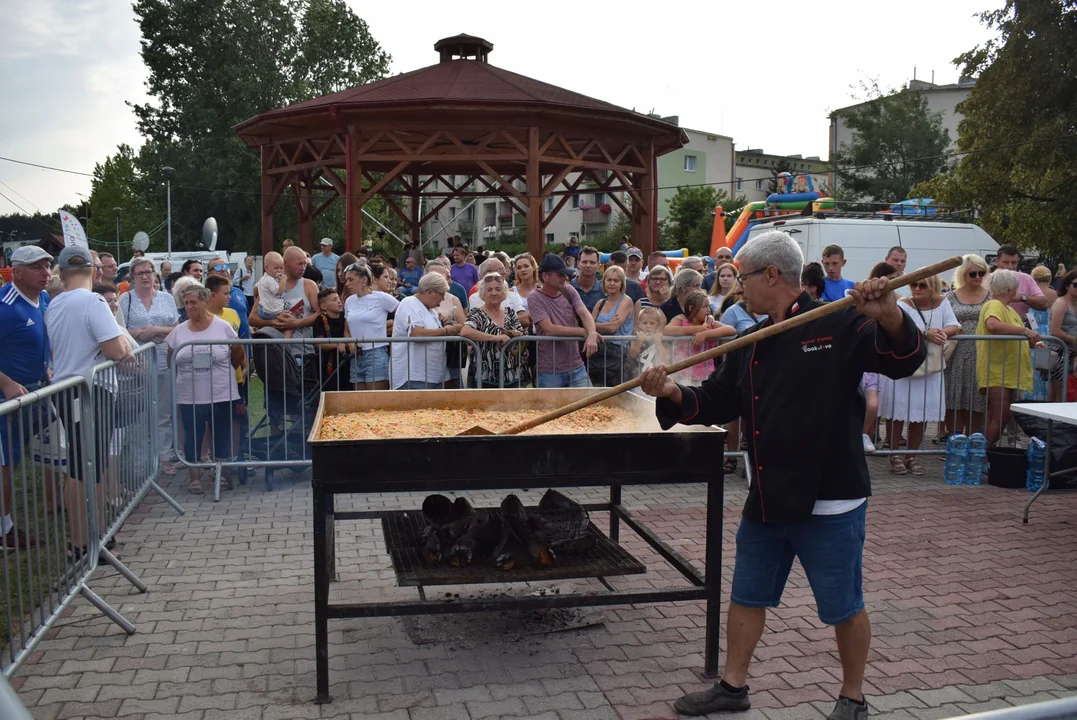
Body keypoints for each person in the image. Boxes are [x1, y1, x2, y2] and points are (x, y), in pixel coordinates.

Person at [640, 230, 927, 720]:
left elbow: (904, 359)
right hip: (769, 493)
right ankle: (732, 687)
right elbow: (716, 401)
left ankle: (853, 698)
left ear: (770, 274)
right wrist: (669, 394)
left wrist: (893, 318)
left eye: (743, 278)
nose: (736, 288)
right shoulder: (754, 335)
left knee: (844, 605)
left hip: (829, 495)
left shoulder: (838, 320)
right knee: (747, 594)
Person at [46, 246, 133, 552]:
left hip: (67, 388)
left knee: (79, 468)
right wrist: (122, 346)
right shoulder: (94, 301)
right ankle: (89, 541)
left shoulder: (54, 304)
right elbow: (117, 350)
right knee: (87, 469)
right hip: (91, 391)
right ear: (95, 272)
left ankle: (87, 538)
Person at [165, 285, 244, 494]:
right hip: (190, 394)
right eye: (186, 303)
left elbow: (238, 353)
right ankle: (194, 477)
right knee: (192, 435)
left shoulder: (223, 327)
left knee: (221, 433)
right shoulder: (178, 332)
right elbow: (171, 361)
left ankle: (222, 474)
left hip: (220, 391)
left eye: (193, 302)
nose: (189, 307)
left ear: (205, 302)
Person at [878, 274, 959, 476]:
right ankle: (894, 453)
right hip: (904, 363)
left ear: (933, 287)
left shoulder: (943, 302)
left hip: (929, 367)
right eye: (914, 284)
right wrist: (926, 333)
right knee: (898, 411)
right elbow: (899, 327)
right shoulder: (904, 303)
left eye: (922, 285)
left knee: (921, 413)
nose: (917, 288)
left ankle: (912, 455)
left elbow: (954, 324)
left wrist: (942, 332)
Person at [0, 246, 54, 548]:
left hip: (29, 394)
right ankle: (4, 529)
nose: (45, 272)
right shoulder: (5, 306)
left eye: (47, 265)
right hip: (5, 399)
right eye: (37, 267)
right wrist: (6, 381)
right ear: (16, 271)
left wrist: (45, 368)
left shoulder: (43, 298)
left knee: (14, 459)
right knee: (4, 463)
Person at [118, 256, 179, 474]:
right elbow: (119, 330)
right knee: (138, 416)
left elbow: (176, 327)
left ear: (155, 274)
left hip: (163, 361)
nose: (145, 276)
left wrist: (158, 331)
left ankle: (165, 456)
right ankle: (140, 465)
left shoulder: (166, 298)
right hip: (136, 366)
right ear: (132, 277)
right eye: (140, 273)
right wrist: (142, 333)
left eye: (148, 272)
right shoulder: (126, 300)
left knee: (163, 412)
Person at [977, 269, 1042, 451]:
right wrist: (1026, 331)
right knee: (1001, 414)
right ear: (1010, 288)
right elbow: (993, 325)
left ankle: (985, 453)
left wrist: (1032, 343)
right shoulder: (995, 305)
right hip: (998, 370)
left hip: (1007, 371)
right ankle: (984, 453)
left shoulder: (1009, 309)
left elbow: (1014, 335)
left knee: (1000, 414)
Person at [528, 254, 599, 388]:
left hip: (576, 366)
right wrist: (583, 331)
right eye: (560, 275)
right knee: (550, 409)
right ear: (545, 276)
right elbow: (549, 329)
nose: (565, 278)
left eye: (564, 274)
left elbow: (585, 314)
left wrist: (592, 334)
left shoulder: (569, 290)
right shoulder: (534, 297)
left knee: (589, 407)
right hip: (549, 371)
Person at [943, 255, 991, 436]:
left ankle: (973, 440)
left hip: (982, 353)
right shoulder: (949, 297)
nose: (978, 277)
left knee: (977, 399)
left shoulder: (991, 296)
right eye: (973, 274)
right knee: (953, 398)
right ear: (963, 274)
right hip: (956, 354)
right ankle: (955, 440)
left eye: (982, 273)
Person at [250, 247, 320, 364]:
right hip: (275, 355)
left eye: (304, 264)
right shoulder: (268, 286)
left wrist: (296, 323)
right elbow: (252, 318)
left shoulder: (309, 285)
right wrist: (272, 323)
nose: (303, 268)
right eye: (299, 264)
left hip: (304, 353)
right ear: (285, 263)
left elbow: (320, 313)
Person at [391, 273, 461, 389]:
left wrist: (444, 326)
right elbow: (417, 334)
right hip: (414, 377)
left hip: (433, 376)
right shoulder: (410, 303)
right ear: (430, 292)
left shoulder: (431, 310)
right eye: (441, 294)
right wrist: (448, 330)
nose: (443, 298)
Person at [461, 273, 526, 387]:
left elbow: (521, 335)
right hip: (486, 376)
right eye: (489, 290)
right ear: (482, 294)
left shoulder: (510, 313)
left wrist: (515, 336)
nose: (494, 293)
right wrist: (495, 338)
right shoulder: (476, 313)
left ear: (504, 293)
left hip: (512, 373)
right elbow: (465, 331)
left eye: (498, 289)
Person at [342, 263, 398, 390]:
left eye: (351, 280)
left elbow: (404, 314)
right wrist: (350, 344)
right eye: (346, 280)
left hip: (376, 354)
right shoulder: (349, 301)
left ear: (364, 279)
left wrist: (390, 325)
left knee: (376, 402)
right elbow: (347, 330)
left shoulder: (382, 297)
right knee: (359, 402)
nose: (347, 284)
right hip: (356, 356)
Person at [665, 290, 735, 385]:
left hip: (706, 374)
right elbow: (666, 330)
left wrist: (705, 334)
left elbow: (731, 329)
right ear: (691, 308)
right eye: (704, 307)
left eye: (708, 306)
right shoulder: (681, 319)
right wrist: (699, 329)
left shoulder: (710, 322)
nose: (708, 309)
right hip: (683, 374)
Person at [588, 265, 636, 386]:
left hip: (618, 354)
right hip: (598, 352)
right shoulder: (600, 303)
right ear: (604, 282)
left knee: (617, 396)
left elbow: (612, 328)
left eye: (616, 280)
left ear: (622, 283)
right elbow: (588, 326)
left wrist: (594, 325)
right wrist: (604, 324)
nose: (612, 283)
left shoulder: (626, 300)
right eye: (609, 280)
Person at [994, 245, 1050, 322]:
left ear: (1018, 261)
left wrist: (1022, 298)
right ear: (997, 261)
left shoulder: (1026, 279)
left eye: (1014, 263)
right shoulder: (986, 279)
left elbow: (1045, 304)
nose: (1010, 267)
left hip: (1020, 329)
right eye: (1005, 262)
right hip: (994, 329)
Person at [312, 287, 350, 390]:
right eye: (334, 300)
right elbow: (319, 343)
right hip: (328, 364)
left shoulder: (345, 317)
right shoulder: (320, 320)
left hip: (346, 362)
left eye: (338, 299)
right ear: (324, 306)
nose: (339, 302)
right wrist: (337, 344)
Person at [1048, 269, 1077, 401]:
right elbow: (1055, 331)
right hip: (1059, 353)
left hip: (1070, 353)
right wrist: (1073, 339)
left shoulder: (1074, 304)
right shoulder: (1061, 303)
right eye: (1076, 285)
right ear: (1067, 285)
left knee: (1067, 392)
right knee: (1059, 394)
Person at [208, 257, 250, 342]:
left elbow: (247, 316)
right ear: (209, 274)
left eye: (225, 266)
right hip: (221, 347)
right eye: (218, 267)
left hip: (245, 347)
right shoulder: (205, 295)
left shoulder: (239, 292)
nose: (223, 270)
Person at [253, 251, 289, 337]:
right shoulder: (269, 280)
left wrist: (258, 296)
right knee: (288, 324)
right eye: (276, 268)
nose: (279, 271)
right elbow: (278, 292)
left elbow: (255, 288)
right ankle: (286, 343)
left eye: (281, 268)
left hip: (263, 308)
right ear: (266, 267)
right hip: (269, 311)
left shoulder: (264, 278)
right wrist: (283, 280)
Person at [629, 306, 670, 376]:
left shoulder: (661, 337)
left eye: (652, 323)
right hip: (638, 375)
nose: (648, 326)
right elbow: (633, 354)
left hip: (656, 376)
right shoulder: (635, 336)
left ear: (658, 324)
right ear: (639, 324)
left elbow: (666, 359)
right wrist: (639, 342)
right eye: (644, 323)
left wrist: (658, 343)